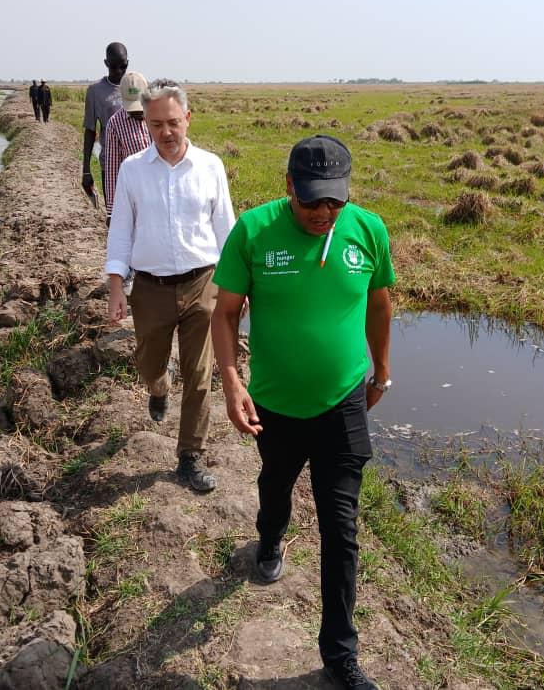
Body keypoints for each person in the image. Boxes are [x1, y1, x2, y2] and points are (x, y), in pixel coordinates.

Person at [211, 135, 394, 690]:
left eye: (333, 201)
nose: (322, 212)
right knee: (276, 484)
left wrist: (381, 371)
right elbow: (224, 314)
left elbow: (381, 302)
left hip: (341, 403)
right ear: (288, 185)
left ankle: (340, 655)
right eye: (312, 200)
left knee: (342, 529)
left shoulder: (368, 230)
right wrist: (231, 382)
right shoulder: (255, 230)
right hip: (275, 404)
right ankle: (269, 537)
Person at [106, 79, 236, 493]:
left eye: (173, 123)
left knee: (200, 375)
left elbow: (225, 230)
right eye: (157, 123)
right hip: (150, 287)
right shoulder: (132, 170)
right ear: (145, 122)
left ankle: (189, 457)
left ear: (188, 119)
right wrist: (114, 286)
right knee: (149, 362)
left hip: (204, 283)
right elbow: (121, 231)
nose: (166, 132)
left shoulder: (211, 166)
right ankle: (159, 386)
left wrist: (238, 288)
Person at [101, 71, 151, 226]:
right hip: (134, 197)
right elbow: (112, 169)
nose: (137, 112)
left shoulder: (159, 116)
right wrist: (111, 211)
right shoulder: (115, 124)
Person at [83, 42, 129, 211]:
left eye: (123, 66)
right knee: (115, 215)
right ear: (106, 63)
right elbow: (90, 130)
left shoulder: (136, 87)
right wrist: (86, 170)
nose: (119, 71)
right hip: (110, 164)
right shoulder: (95, 91)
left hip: (137, 163)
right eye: (114, 66)